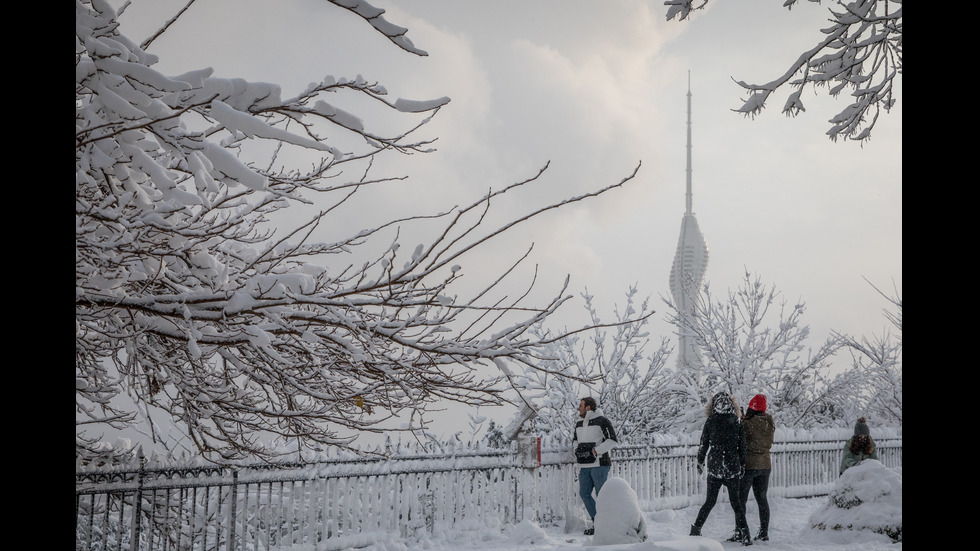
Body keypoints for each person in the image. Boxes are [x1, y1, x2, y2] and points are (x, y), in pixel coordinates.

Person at [690, 391, 752, 546]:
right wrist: (742, 464)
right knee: (736, 503)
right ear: (731, 404)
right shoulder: (736, 421)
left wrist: (700, 461)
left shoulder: (711, 421)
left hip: (715, 466)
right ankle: (745, 534)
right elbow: (742, 447)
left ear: (714, 405)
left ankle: (695, 530)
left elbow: (703, 443)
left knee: (710, 501)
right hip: (732, 466)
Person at [728, 393, 775, 543]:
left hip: (749, 466)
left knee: (741, 500)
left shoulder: (747, 424)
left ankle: (740, 532)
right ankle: (764, 532)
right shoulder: (770, 423)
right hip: (765, 465)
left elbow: (741, 435)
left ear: (751, 408)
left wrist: (741, 418)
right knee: (762, 499)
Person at [572, 396, 618, 535]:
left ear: (588, 407)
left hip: (600, 464)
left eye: (581, 405)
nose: (578, 408)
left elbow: (613, 440)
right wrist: (576, 450)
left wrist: (595, 451)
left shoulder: (602, 421)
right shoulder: (579, 423)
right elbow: (575, 440)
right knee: (584, 494)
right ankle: (597, 522)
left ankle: (607, 525)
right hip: (584, 466)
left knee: (602, 495)